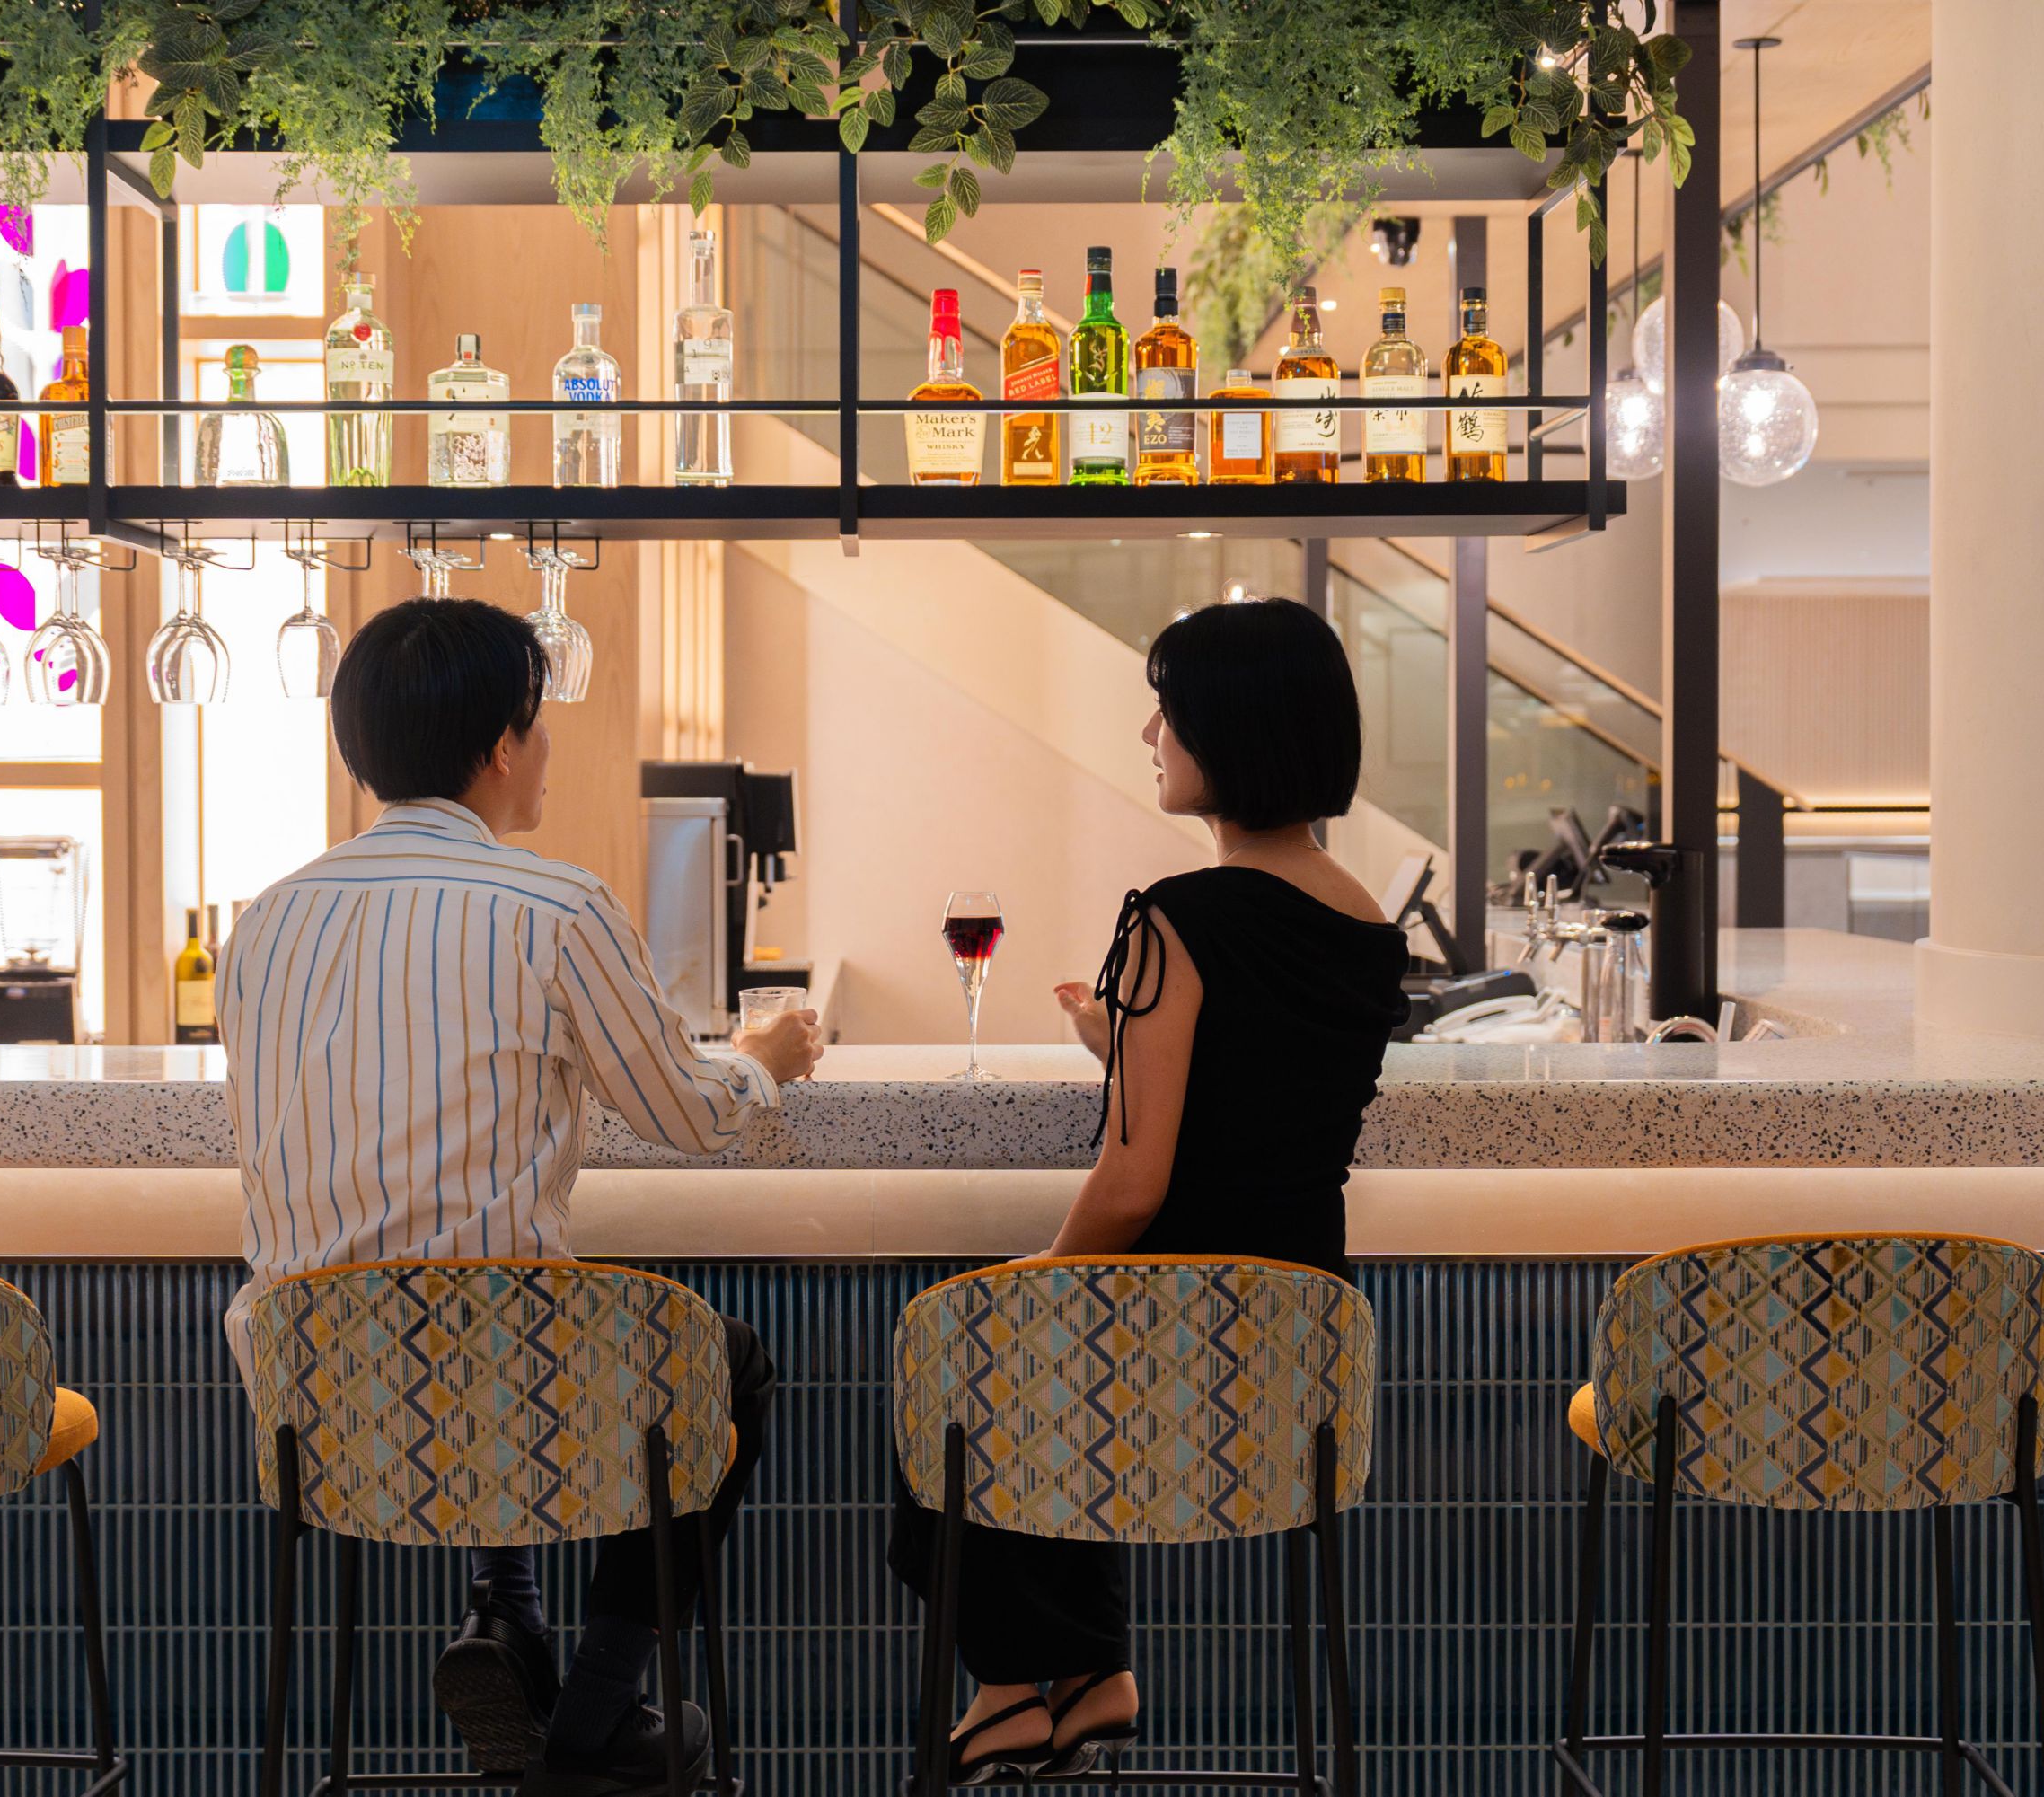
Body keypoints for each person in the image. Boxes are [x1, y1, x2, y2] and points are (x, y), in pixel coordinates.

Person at [219, 596, 824, 1797]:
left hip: (315, 1411)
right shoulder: (554, 908)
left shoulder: (264, 923)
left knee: (494, 1297)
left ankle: (506, 1614)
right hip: (514, 1393)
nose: (546, 748)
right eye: (538, 724)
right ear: (502, 744)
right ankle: (592, 1717)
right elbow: (689, 1116)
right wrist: (765, 1060)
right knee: (710, 1362)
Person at [890, 598, 1410, 1781]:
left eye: (1167, 709)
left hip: (1164, 1332)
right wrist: (1122, 1041)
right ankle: (1086, 1677)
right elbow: (1258, 1093)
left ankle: (1016, 1686)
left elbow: (1133, 1185)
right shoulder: (1369, 926)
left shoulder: (1175, 918)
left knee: (960, 1341)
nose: (1149, 735)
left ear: (1232, 730)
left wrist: (1038, 1280)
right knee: (1024, 1334)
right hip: (1296, 1358)